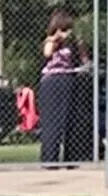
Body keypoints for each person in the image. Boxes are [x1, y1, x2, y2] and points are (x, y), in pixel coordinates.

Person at [38, 7, 90, 166]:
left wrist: (79, 44)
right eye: (64, 28)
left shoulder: (73, 43)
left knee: (71, 120)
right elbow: (47, 53)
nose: (67, 32)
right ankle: (50, 158)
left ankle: (71, 158)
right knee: (52, 121)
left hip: (69, 79)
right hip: (52, 81)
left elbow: (85, 61)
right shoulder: (51, 41)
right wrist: (56, 38)